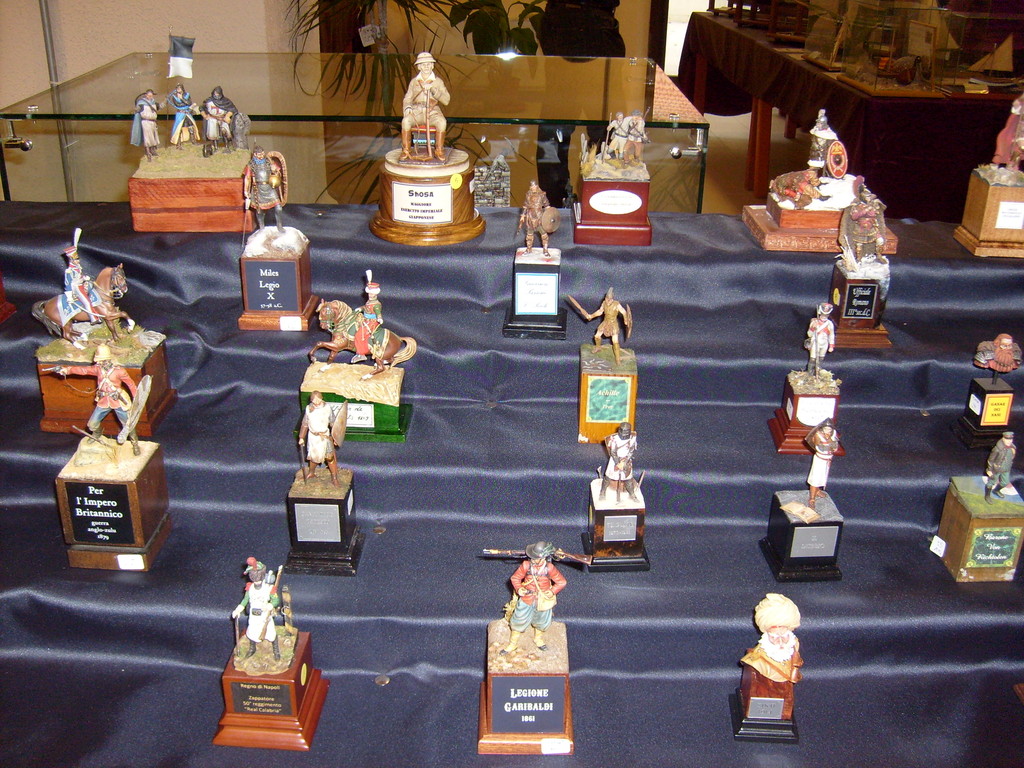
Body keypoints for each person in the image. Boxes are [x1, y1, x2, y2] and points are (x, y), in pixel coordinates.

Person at [55, 344, 140, 455]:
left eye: (101, 360)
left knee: (128, 425)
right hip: (103, 400)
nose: (98, 362)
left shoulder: (119, 371)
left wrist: (137, 398)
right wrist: (67, 370)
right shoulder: (97, 369)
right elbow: (83, 370)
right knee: (92, 424)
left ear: (107, 359)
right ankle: (97, 434)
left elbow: (131, 384)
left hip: (118, 401)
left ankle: (135, 443)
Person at [739, 593, 803, 721]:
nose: (780, 642)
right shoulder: (756, 662)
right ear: (767, 635)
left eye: (784, 636)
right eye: (774, 637)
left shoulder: (793, 653)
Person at [501, 541, 568, 655]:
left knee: (541, 621)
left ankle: (538, 639)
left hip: (542, 600)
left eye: (536, 558)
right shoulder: (526, 565)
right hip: (527, 598)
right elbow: (515, 578)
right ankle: (512, 644)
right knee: (518, 621)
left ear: (543, 558)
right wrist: (519, 589)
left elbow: (562, 582)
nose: (533, 560)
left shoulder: (549, 568)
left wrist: (552, 591)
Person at [400, 52, 449, 161]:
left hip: (432, 111)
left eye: (428, 64)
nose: (426, 66)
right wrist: (407, 107)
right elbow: (408, 98)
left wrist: (433, 89)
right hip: (417, 111)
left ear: (432, 65)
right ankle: (406, 150)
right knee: (406, 121)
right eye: (423, 64)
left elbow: (446, 100)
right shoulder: (414, 82)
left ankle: (439, 150)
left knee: (442, 122)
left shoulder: (438, 82)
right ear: (419, 67)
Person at [231, 558, 281, 660]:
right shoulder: (250, 588)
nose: (257, 582)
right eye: (255, 580)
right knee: (252, 632)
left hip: (265, 615)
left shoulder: (269, 588)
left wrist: (270, 605)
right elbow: (245, 600)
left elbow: (276, 600)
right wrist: (238, 609)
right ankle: (252, 648)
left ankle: (276, 650)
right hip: (253, 615)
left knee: (271, 632)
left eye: (259, 579)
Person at [568, 287, 633, 365]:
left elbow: (624, 312)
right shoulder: (604, 303)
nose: (608, 300)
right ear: (605, 298)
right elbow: (600, 311)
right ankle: (598, 347)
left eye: (609, 299)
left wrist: (625, 320)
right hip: (605, 322)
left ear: (612, 299)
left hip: (613, 324)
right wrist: (591, 316)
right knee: (597, 336)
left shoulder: (617, 304)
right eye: (607, 298)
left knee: (615, 341)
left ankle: (618, 358)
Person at [298, 391, 342, 486]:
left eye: (318, 399)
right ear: (311, 400)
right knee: (313, 457)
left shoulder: (327, 408)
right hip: (313, 437)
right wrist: (301, 437)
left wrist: (336, 437)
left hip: (325, 437)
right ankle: (311, 473)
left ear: (322, 398)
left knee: (330, 457)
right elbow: (305, 424)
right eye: (314, 400)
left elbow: (333, 423)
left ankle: (334, 477)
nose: (316, 401)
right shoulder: (308, 409)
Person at [244, 146, 286, 231]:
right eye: (259, 154)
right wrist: (246, 190)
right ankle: (261, 227)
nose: (262, 155)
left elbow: (278, 173)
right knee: (259, 211)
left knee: (278, 207)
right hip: (258, 189)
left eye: (263, 153)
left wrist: (275, 170)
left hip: (269, 188)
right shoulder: (250, 165)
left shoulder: (268, 162)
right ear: (255, 154)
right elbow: (247, 178)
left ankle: (279, 225)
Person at [601, 421, 639, 502]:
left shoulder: (632, 439)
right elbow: (613, 452)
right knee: (608, 477)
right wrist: (618, 463)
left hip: (626, 461)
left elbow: (631, 451)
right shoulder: (614, 440)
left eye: (626, 432)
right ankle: (602, 492)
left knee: (628, 479)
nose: (624, 434)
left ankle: (632, 493)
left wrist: (625, 462)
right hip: (614, 461)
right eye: (622, 431)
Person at [805, 419, 839, 508]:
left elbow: (835, 447)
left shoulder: (833, 433)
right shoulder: (818, 435)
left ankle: (817, 490)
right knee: (815, 479)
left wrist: (831, 443)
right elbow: (822, 448)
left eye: (829, 429)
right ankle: (812, 498)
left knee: (822, 477)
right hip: (820, 459)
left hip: (827, 459)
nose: (828, 431)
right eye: (826, 429)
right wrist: (829, 444)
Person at [352, 272, 383, 363]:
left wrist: (379, 318)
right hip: (365, 318)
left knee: (359, 334)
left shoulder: (376, 305)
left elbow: (378, 312)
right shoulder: (369, 301)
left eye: (371, 294)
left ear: (375, 294)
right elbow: (366, 307)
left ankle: (361, 354)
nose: (370, 295)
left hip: (371, 321)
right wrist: (360, 308)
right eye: (369, 294)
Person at [518, 180, 553, 255]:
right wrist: (523, 216)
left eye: (534, 186)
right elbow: (525, 206)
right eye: (532, 186)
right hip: (530, 217)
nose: (533, 188)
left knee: (544, 234)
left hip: (539, 217)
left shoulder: (542, 194)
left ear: (537, 186)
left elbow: (546, 205)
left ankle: (545, 250)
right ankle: (529, 249)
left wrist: (550, 214)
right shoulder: (528, 195)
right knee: (529, 235)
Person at [202, 86, 237, 153]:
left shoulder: (226, 101)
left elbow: (232, 109)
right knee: (214, 134)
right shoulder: (208, 101)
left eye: (217, 94)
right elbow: (202, 108)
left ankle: (227, 147)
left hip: (222, 118)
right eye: (215, 94)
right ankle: (216, 148)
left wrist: (227, 116)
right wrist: (205, 115)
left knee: (225, 132)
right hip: (212, 119)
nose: (216, 95)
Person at [130, 89, 161, 161]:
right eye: (149, 95)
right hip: (146, 122)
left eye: (151, 95)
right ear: (146, 95)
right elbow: (137, 109)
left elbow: (160, 107)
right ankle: (148, 152)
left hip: (153, 122)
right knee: (147, 137)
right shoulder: (142, 103)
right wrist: (136, 110)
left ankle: (152, 150)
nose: (150, 97)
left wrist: (166, 101)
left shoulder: (154, 103)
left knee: (153, 137)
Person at [805, 302, 835, 378]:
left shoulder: (830, 324)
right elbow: (809, 334)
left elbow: (831, 335)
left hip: (824, 343)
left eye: (826, 315)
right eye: (823, 314)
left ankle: (817, 372)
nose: (824, 316)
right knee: (813, 359)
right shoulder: (814, 322)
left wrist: (831, 345)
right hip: (815, 342)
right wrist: (813, 328)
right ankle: (810, 373)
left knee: (821, 359)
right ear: (820, 313)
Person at [985, 431, 1016, 503]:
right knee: (991, 483)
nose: (1009, 441)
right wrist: (989, 470)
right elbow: (990, 460)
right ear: (1003, 439)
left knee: (1005, 482)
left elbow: (1012, 457)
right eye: (1007, 439)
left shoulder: (1012, 448)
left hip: (1006, 469)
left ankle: (996, 490)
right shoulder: (997, 449)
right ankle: (987, 496)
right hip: (996, 469)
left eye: (1010, 439)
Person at [166, 83, 198, 150]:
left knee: (191, 127)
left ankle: (193, 141)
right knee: (178, 129)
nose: (178, 89)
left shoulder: (187, 95)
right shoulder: (174, 96)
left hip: (187, 113)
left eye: (179, 88)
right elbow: (178, 105)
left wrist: (182, 99)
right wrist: (183, 101)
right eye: (177, 88)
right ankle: (178, 144)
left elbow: (189, 103)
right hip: (180, 114)